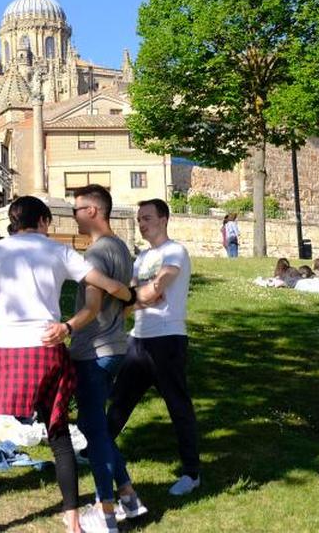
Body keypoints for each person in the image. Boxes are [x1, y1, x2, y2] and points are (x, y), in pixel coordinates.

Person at [0, 196, 136, 533]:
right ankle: (73, 522)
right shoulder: (58, 251)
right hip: (46, 347)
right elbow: (105, 285)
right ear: (44, 220)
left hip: (3, 349)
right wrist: (130, 296)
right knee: (57, 432)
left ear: (14, 221)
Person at [107, 198, 202, 498]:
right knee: (121, 399)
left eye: (147, 217)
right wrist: (137, 298)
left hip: (168, 339)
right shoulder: (142, 258)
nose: (142, 223)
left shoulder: (175, 251)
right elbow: (133, 296)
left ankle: (191, 473)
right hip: (140, 338)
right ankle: (97, 449)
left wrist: (140, 296)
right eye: (139, 219)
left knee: (178, 407)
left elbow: (155, 289)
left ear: (164, 219)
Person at [69, 185, 149, 531]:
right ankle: (129, 497)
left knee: (95, 431)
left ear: (93, 211)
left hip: (94, 350)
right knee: (94, 426)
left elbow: (91, 307)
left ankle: (105, 512)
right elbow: (128, 299)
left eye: (76, 208)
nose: (73, 214)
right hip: (115, 346)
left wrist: (66, 328)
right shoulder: (121, 248)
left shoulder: (97, 254)